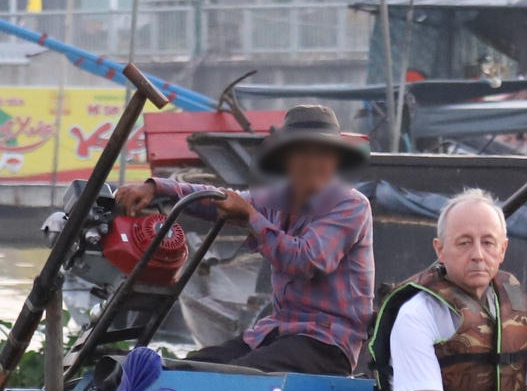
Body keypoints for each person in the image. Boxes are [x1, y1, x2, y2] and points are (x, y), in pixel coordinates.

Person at [112, 102, 372, 376]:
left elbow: (306, 260)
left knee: (234, 376)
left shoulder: (350, 204)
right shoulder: (280, 197)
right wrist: (158, 188)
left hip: (326, 344)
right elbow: (220, 199)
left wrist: (249, 216)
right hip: (278, 332)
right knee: (189, 368)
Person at [370, 188, 527, 391]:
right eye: (464, 243)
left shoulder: (520, 311)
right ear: (440, 250)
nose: (478, 254)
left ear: (503, 250)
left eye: (488, 243)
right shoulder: (417, 314)